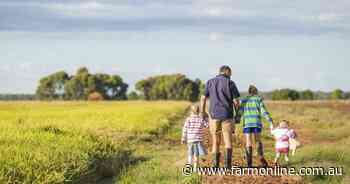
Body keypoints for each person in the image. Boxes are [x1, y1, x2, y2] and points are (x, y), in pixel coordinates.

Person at [200, 65, 240, 168]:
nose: (231, 76)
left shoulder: (210, 82)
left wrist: (202, 112)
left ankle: (215, 165)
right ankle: (228, 166)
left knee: (215, 141)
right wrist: (238, 114)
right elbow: (236, 101)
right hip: (227, 115)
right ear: (227, 72)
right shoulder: (230, 83)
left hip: (214, 115)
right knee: (228, 141)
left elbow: (203, 98)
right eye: (230, 73)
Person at [238, 85, 273, 167]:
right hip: (256, 123)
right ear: (256, 92)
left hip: (247, 124)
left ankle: (249, 163)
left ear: (249, 92)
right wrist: (270, 120)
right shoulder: (258, 100)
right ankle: (261, 159)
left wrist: (237, 119)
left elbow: (240, 112)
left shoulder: (244, 100)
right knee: (258, 141)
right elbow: (263, 111)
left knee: (248, 141)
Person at [181, 105, 209, 170]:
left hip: (190, 140)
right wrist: (206, 117)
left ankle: (189, 166)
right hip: (198, 140)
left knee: (190, 154)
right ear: (199, 111)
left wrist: (183, 138)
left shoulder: (188, 119)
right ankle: (195, 168)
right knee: (196, 154)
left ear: (191, 111)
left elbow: (185, 129)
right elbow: (207, 125)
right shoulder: (200, 119)